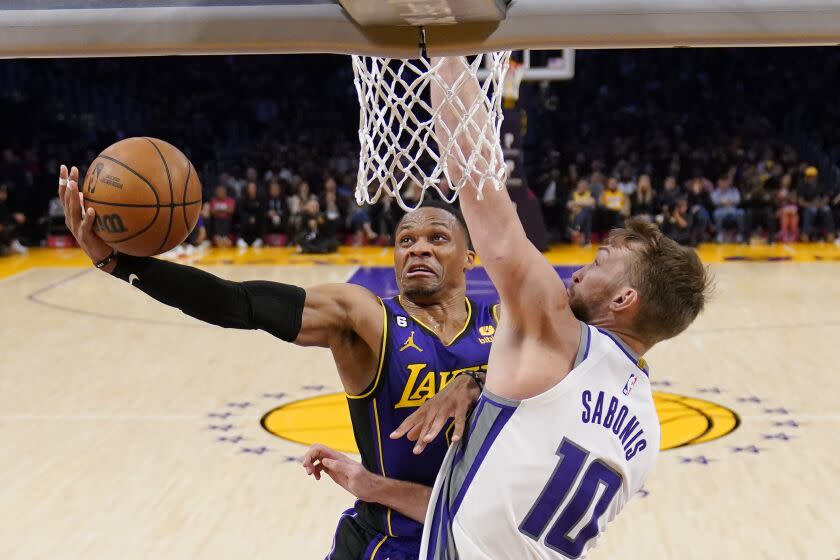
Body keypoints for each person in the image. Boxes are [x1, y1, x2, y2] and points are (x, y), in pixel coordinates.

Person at [304, 57, 712, 560]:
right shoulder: (645, 431)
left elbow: (486, 200)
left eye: (601, 263)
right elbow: (486, 522)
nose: (579, 272)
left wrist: (448, 52)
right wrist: (374, 486)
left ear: (624, 300)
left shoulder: (558, 335)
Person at [57, 164, 495, 560]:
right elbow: (238, 302)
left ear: (471, 259)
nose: (418, 249)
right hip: (391, 541)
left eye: (437, 238)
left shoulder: (502, 326)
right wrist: (120, 263)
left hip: (486, 537)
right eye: (406, 241)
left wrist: (475, 379)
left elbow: (562, 373)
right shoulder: (366, 318)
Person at [236, 181, 265, 248]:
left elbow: (261, 213)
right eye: (250, 188)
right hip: (245, 227)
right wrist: (248, 218)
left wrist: (255, 218)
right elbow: (240, 213)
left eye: (253, 188)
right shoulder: (242, 200)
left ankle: (259, 239)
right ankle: (241, 239)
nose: (251, 190)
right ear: (247, 189)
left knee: (261, 221)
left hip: (257, 228)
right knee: (242, 220)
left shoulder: (260, 200)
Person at [567, 179, 595, 246]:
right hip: (574, 216)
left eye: (584, 186)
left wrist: (576, 203)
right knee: (586, 212)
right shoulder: (572, 193)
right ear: (577, 186)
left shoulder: (590, 193)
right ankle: (587, 240)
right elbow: (569, 205)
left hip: (584, 216)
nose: (582, 187)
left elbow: (592, 203)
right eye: (580, 186)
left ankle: (577, 229)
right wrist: (584, 202)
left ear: (586, 187)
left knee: (586, 211)